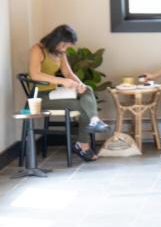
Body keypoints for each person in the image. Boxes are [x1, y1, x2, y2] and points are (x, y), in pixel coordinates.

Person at [28, 25, 111, 162]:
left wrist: (80, 85)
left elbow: (68, 73)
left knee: (87, 89)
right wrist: (61, 81)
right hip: (40, 97)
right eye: (64, 45)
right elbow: (34, 75)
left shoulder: (59, 53)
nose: (65, 49)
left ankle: (94, 121)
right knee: (83, 106)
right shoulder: (37, 50)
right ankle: (83, 145)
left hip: (54, 93)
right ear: (56, 40)